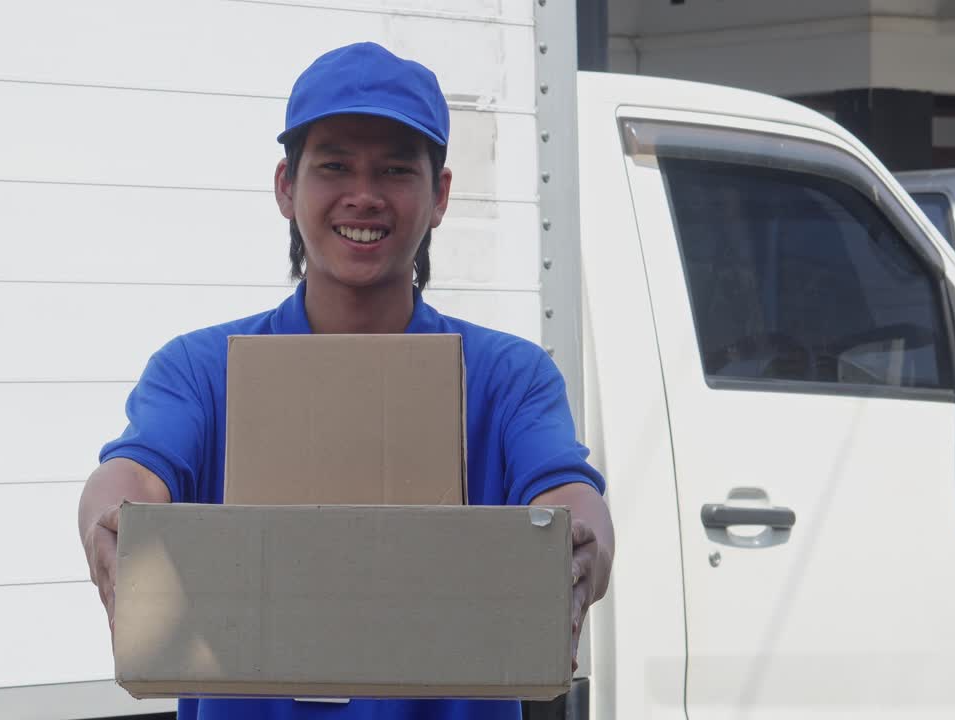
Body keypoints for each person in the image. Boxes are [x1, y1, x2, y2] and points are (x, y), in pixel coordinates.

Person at [78, 41, 614, 720]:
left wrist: (585, 543)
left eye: (395, 169)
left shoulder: (508, 378)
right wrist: (108, 521)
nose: (364, 195)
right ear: (286, 186)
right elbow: (134, 470)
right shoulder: (203, 369)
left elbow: (566, 490)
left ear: (440, 195)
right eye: (334, 165)